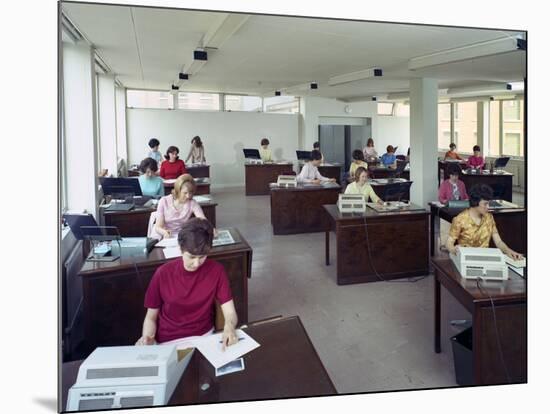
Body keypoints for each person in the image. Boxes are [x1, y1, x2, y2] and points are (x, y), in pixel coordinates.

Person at [136, 218, 238, 347]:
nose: (196, 264)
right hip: (169, 341)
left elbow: (230, 312)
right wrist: (147, 338)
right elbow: (151, 317)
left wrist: (229, 326)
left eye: (202, 257)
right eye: (191, 257)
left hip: (204, 337)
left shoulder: (216, 270)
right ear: (180, 249)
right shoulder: (163, 273)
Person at [446, 184, 523, 260]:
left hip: (484, 259)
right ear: (476, 202)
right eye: (485, 204)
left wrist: (509, 251)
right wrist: (454, 249)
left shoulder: (489, 217)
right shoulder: (460, 219)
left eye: (489, 203)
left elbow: (498, 242)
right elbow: (449, 243)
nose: (488, 207)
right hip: (466, 259)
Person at [153, 174, 206, 240]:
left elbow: (203, 219)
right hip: (165, 236)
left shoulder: (192, 203)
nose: (188, 196)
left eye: (191, 192)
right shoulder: (164, 201)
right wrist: (164, 232)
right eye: (185, 193)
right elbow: (158, 227)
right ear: (178, 191)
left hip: (182, 236)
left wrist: (210, 228)